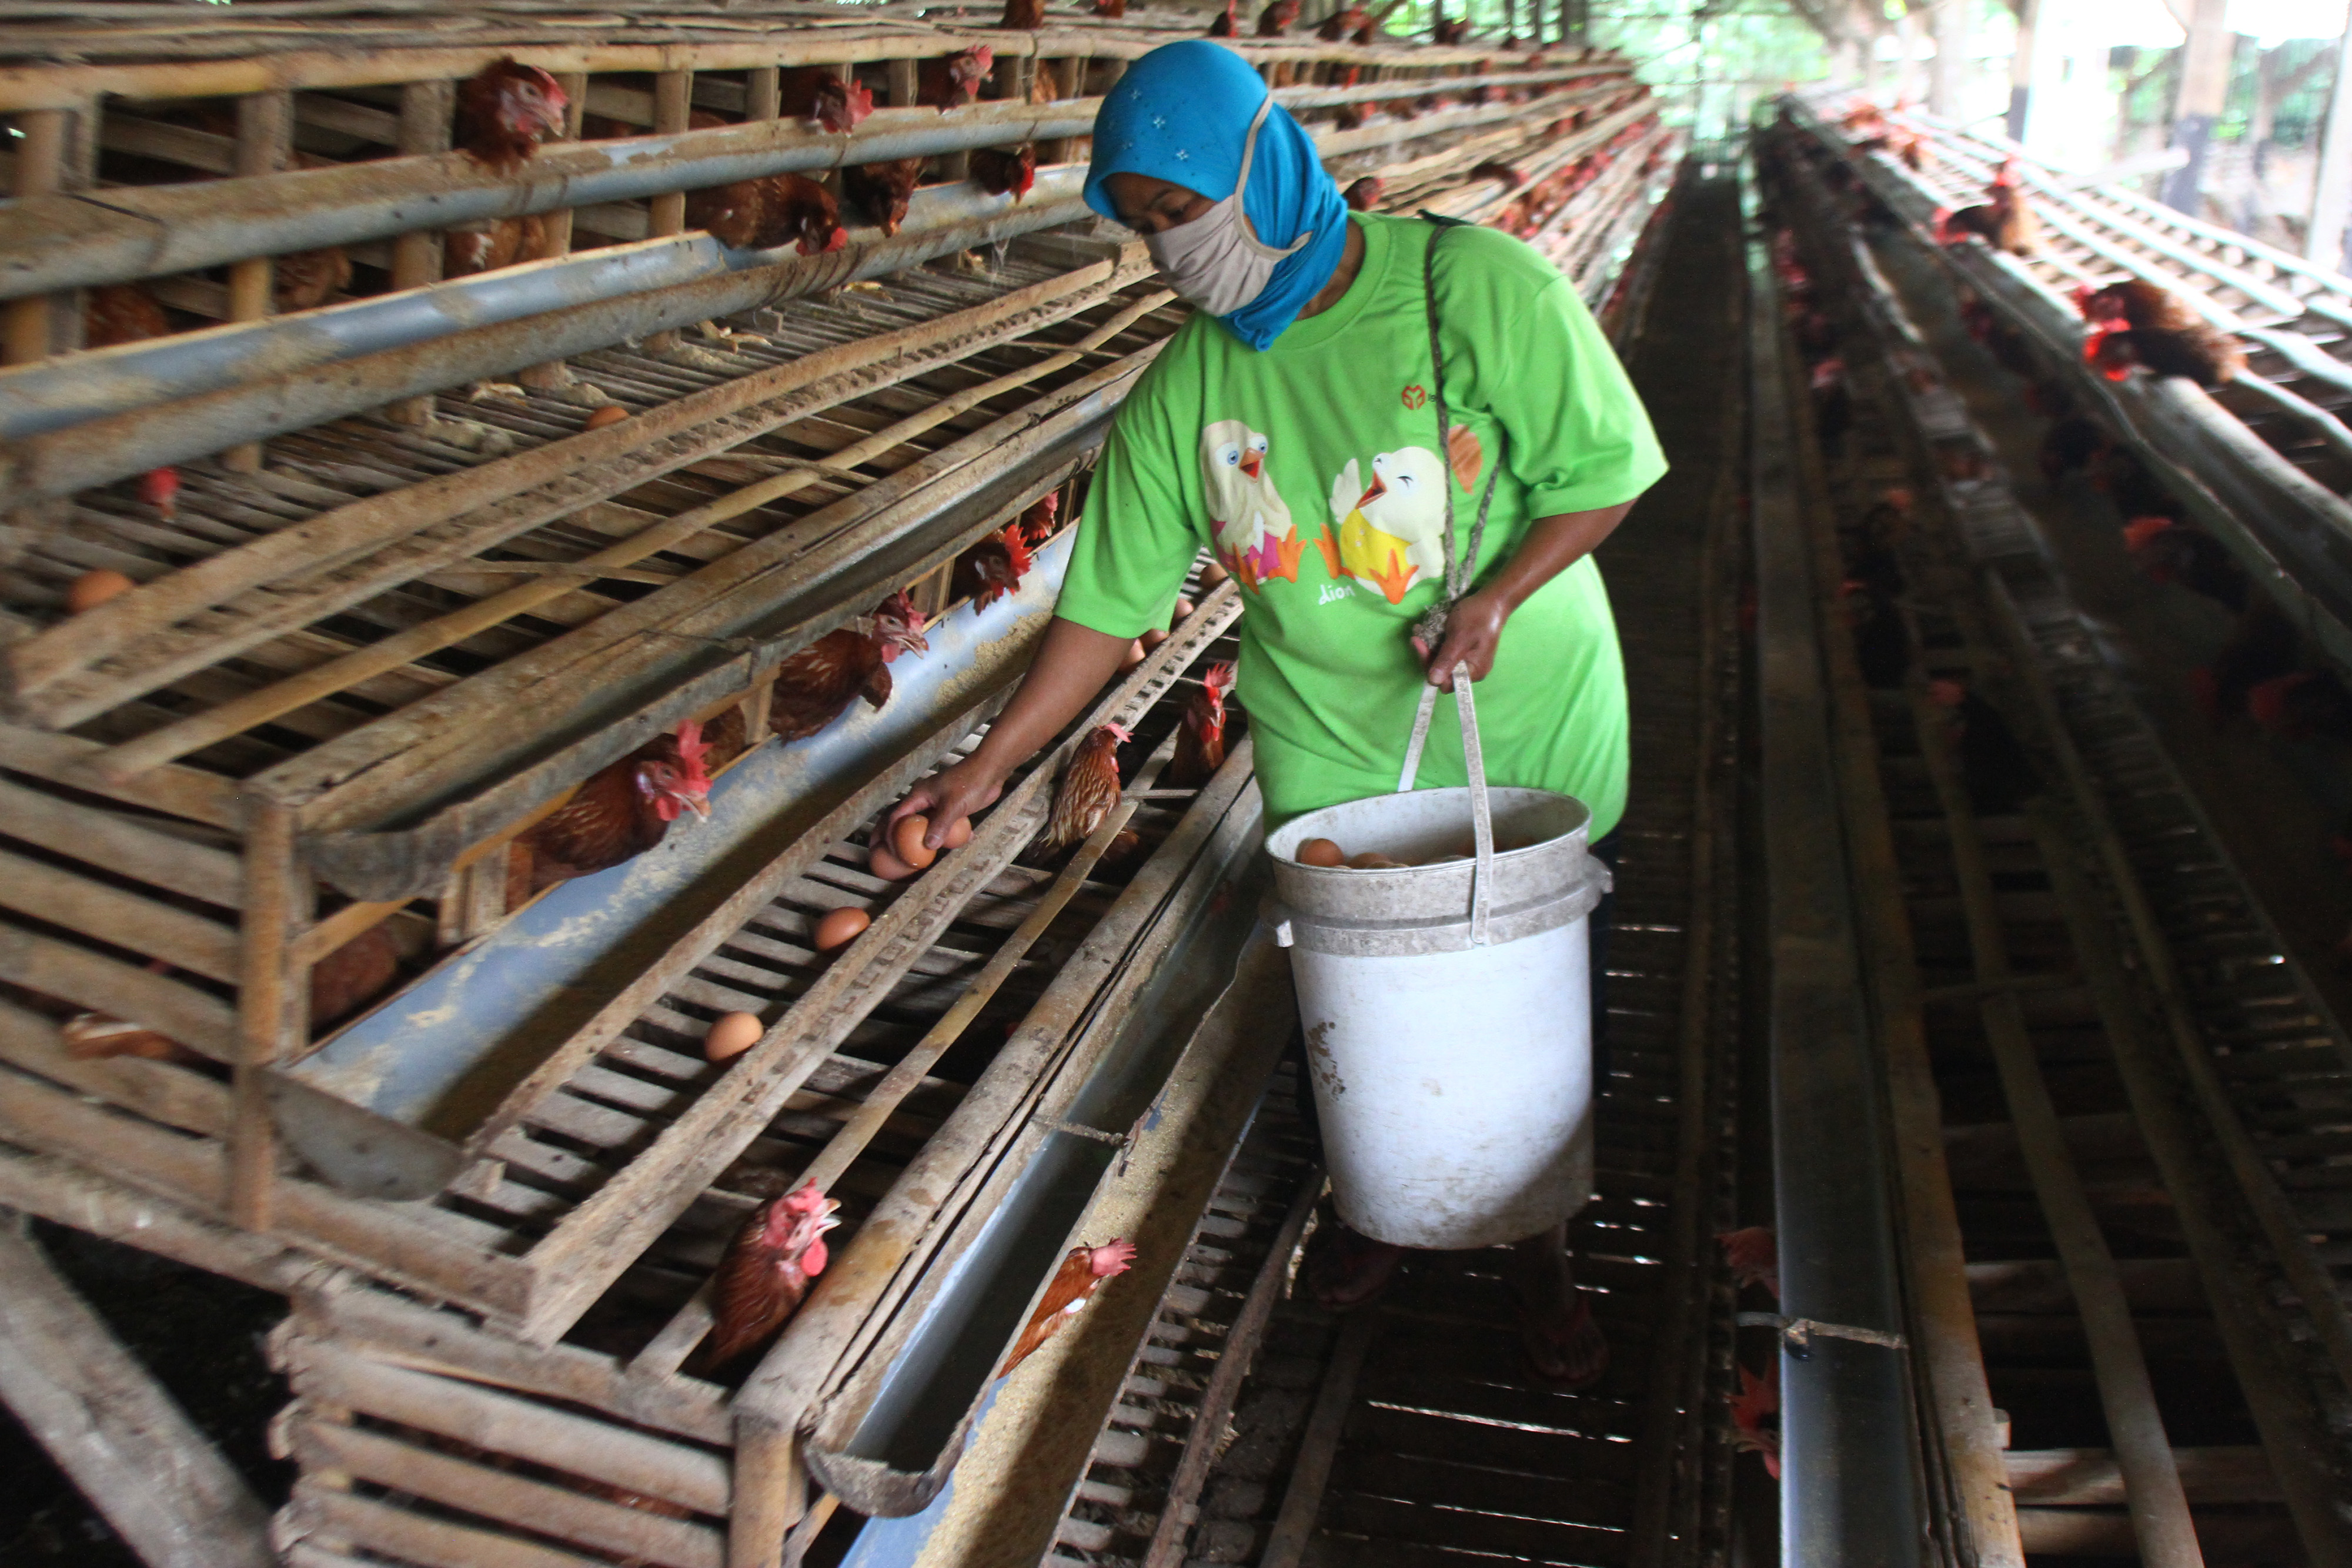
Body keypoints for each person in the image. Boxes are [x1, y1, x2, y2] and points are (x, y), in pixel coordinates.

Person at [888, 38, 1663, 1388]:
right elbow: (1103, 608)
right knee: (1350, 1007)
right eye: (1142, 231)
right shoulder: (1186, 388)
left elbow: (1605, 471)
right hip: (1330, 749)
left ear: (1262, 163)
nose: (1168, 254)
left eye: (1179, 213)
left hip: (1522, 727)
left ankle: (1537, 1246)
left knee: (1532, 999)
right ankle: (1377, 1208)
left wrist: (1493, 597)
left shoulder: (1471, 286)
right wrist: (983, 768)